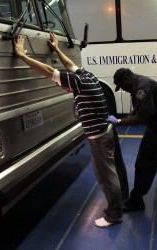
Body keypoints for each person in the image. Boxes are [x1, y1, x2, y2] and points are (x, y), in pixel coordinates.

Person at [13, 33, 129, 227]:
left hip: (99, 137)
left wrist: (23, 57)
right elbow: (70, 65)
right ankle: (123, 197)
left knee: (106, 177)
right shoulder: (87, 76)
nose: (63, 87)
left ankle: (114, 215)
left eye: (63, 85)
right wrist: (57, 49)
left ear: (70, 83)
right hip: (107, 130)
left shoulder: (78, 82)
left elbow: (50, 71)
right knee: (115, 169)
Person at [107, 68, 157, 212]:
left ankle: (137, 200)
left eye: (122, 85)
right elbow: (138, 110)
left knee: (144, 161)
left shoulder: (142, 88)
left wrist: (119, 121)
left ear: (128, 77)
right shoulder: (137, 84)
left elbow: (142, 118)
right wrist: (126, 117)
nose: (123, 89)